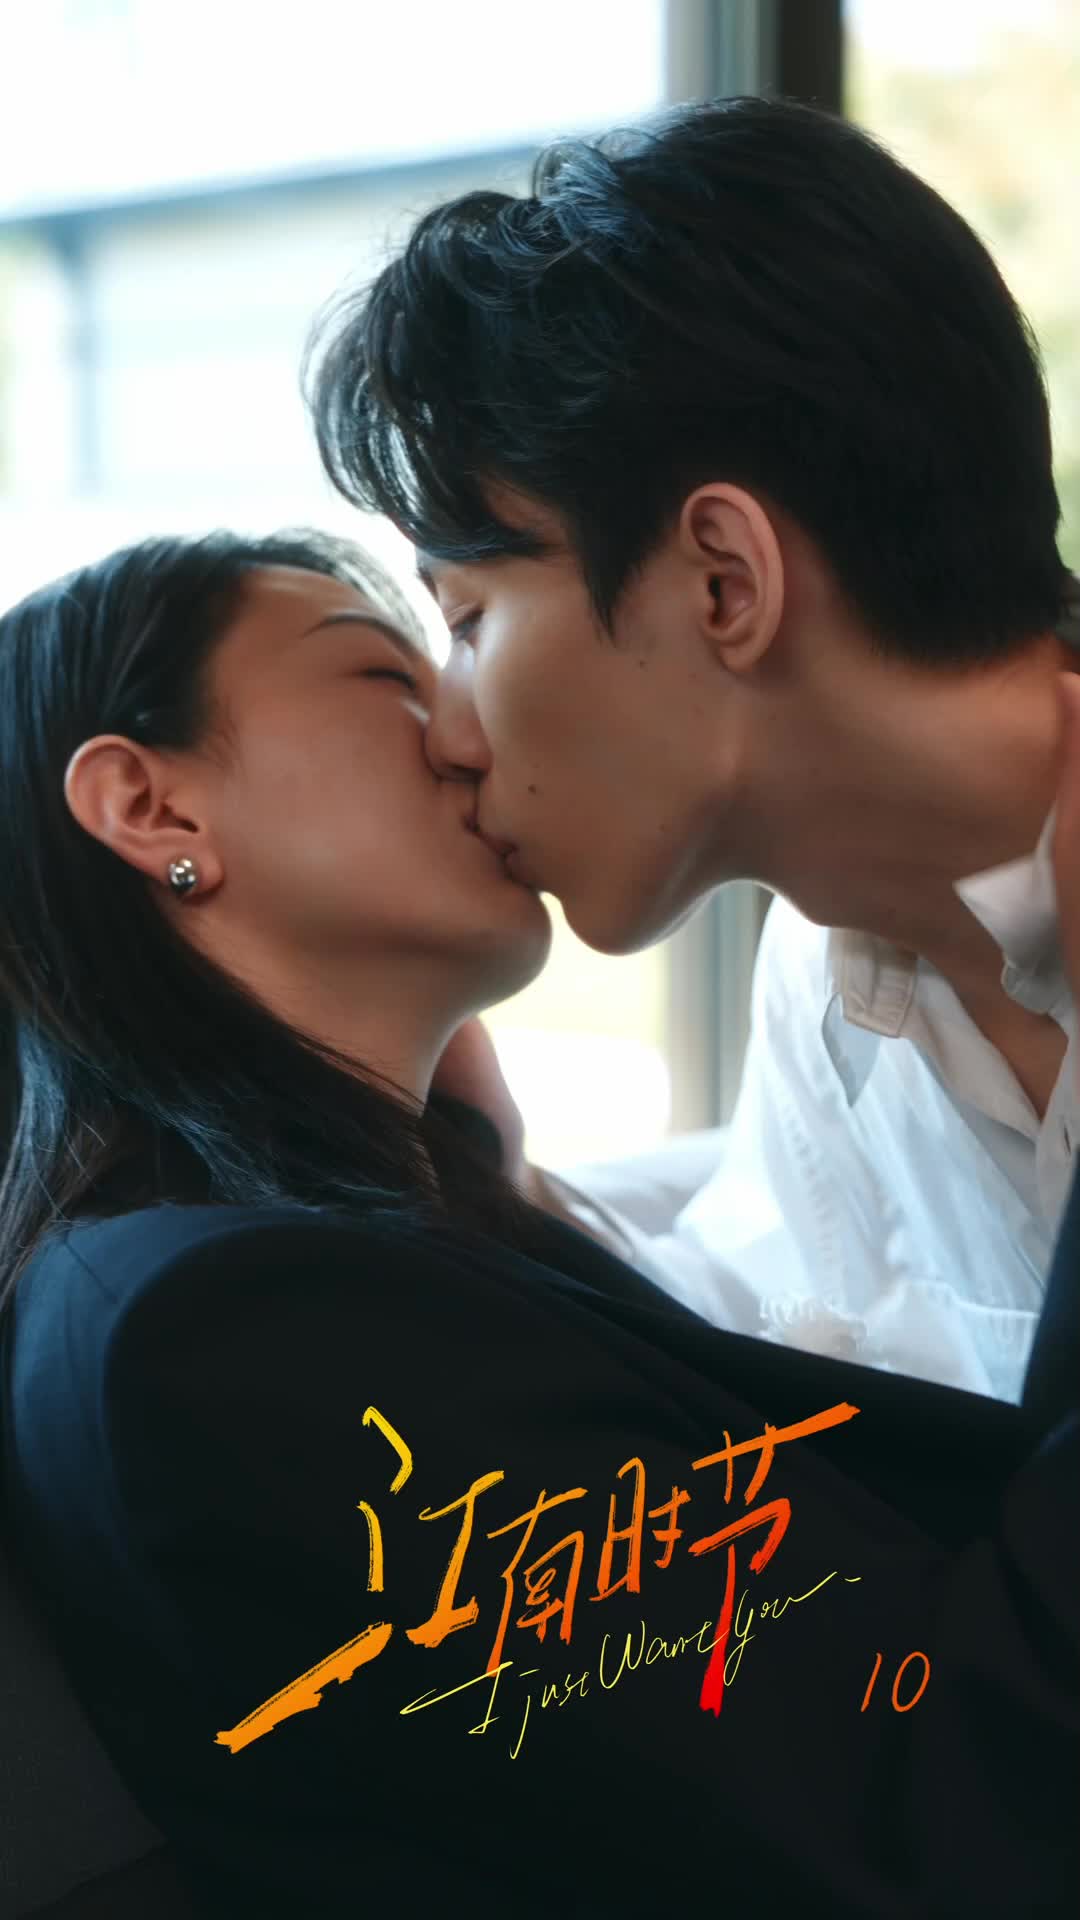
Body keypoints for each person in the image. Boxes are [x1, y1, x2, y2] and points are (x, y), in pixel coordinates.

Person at [0, 527, 1075, 1919]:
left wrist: (454, 1159)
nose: (468, 733)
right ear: (150, 807)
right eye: (389, 674)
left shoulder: (283, 1268)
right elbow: (953, 1798)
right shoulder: (222, 1332)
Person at [303, 93, 1080, 1406]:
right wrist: (477, 1163)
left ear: (724, 582)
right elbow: (771, 1313)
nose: (449, 733)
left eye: (470, 621)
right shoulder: (835, 976)